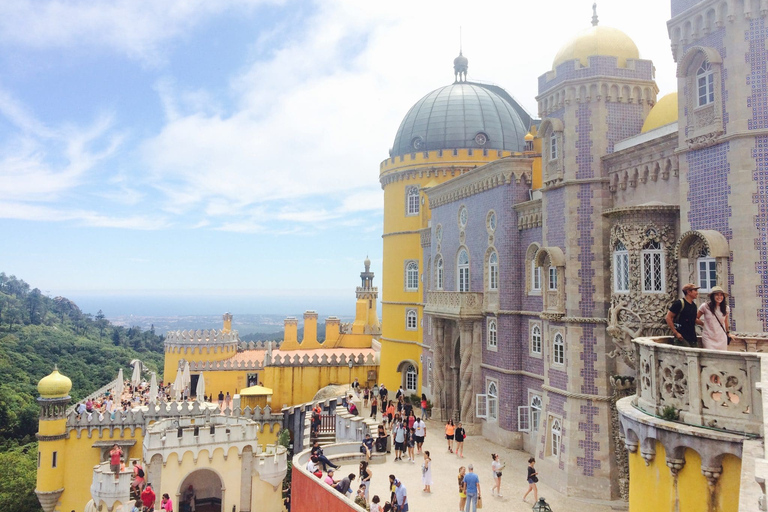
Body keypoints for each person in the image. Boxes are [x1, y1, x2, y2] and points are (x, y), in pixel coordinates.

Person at [697, 286, 731, 350]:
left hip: (721, 338)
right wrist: (704, 324)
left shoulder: (726, 308)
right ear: (712, 296)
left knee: (722, 358)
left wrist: (728, 333)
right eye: (717, 295)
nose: (719, 297)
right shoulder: (705, 306)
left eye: (721, 295)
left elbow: (725, 321)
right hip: (708, 337)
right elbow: (696, 318)